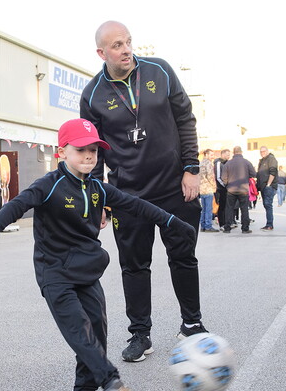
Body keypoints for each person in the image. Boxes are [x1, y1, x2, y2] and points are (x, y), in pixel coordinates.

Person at [0, 118, 196, 391]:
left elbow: (138, 205)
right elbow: (15, 207)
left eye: (94, 151)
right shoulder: (49, 186)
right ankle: (111, 380)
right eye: (81, 150)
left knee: (97, 330)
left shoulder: (98, 188)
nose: (89, 156)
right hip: (55, 273)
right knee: (79, 331)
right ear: (63, 152)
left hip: (87, 271)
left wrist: (171, 222)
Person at [80, 20, 209, 361]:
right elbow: (92, 152)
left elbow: (186, 120)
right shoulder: (93, 94)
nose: (126, 50)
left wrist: (192, 169)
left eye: (128, 42)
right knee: (134, 266)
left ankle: (192, 325)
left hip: (174, 188)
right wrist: (98, 200)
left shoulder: (160, 71)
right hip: (128, 197)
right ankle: (140, 334)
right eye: (117, 45)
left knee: (183, 256)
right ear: (101, 52)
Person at [220, 146, 256, 234]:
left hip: (231, 190)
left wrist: (227, 184)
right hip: (243, 189)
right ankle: (245, 228)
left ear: (233, 152)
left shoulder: (228, 163)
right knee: (244, 209)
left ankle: (227, 228)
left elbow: (223, 177)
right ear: (241, 152)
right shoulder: (247, 162)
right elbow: (253, 174)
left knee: (229, 208)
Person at [256, 146, 278, 231]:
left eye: (264, 151)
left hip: (269, 186)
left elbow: (273, 172)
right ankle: (268, 223)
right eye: (261, 152)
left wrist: (268, 184)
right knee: (266, 205)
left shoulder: (271, 159)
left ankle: (269, 224)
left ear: (267, 151)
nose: (262, 153)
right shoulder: (262, 161)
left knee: (268, 204)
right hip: (263, 187)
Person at [198, 149, 219, 232]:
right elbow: (210, 176)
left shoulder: (200, 163)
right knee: (209, 209)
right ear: (206, 154)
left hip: (201, 189)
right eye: (211, 155)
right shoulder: (209, 164)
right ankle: (208, 226)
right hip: (208, 188)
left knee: (203, 209)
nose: (212, 156)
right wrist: (214, 187)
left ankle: (202, 226)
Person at [213, 149, 230, 229]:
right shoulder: (219, 163)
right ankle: (222, 224)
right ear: (222, 154)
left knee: (224, 206)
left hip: (224, 188)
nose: (228, 156)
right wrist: (225, 185)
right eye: (227, 155)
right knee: (221, 207)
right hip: (220, 189)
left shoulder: (225, 163)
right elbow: (218, 177)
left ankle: (226, 222)